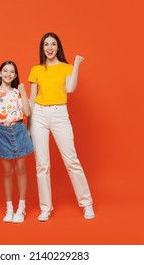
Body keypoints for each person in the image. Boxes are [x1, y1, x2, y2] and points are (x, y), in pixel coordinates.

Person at [28, 32, 95, 221]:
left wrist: (77, 65)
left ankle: (86, 203)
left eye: (53, 44)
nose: (49, 48)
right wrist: (28, 126)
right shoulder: (36, 69)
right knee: (42, 164)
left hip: (59, 114)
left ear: (58, 47)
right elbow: (32, 100)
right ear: (42, 48)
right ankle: (45, 208)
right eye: (46, 44)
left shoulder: (66, 67)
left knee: (71, 160)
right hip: (39, 115)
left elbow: (70, 89)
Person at [0, 61, 34, 223]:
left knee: (20, 169)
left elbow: (27, 112)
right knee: (7, 172)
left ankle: (21, 208)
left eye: (12, 71)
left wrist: (24, 93)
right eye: (5, 71)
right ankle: (9, 208)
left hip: (19, 130)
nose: (8, 74)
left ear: (14, 75)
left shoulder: (17, 92)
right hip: (3, 133)